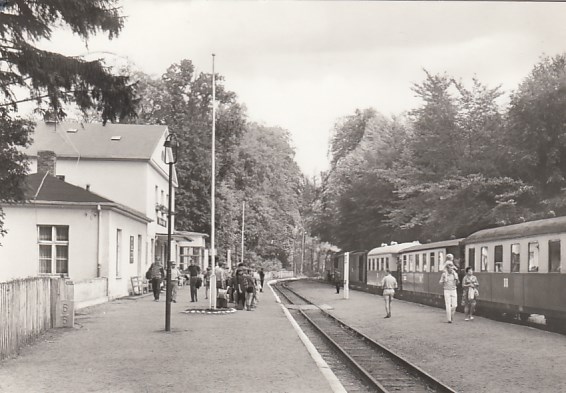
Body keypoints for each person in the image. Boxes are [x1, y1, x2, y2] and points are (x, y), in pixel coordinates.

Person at [439, 254, 459, 323]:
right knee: (448, 304)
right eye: (450, 268)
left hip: (453, 289)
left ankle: (451, 315)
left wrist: (456, 278)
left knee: (455, 305)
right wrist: (444, 280)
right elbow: (440, 282)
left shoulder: (454, 273)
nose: (452, 269)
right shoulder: (444, 273)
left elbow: (457, 281)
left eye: (452, 268)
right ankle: (449, 319)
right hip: (447, 290)